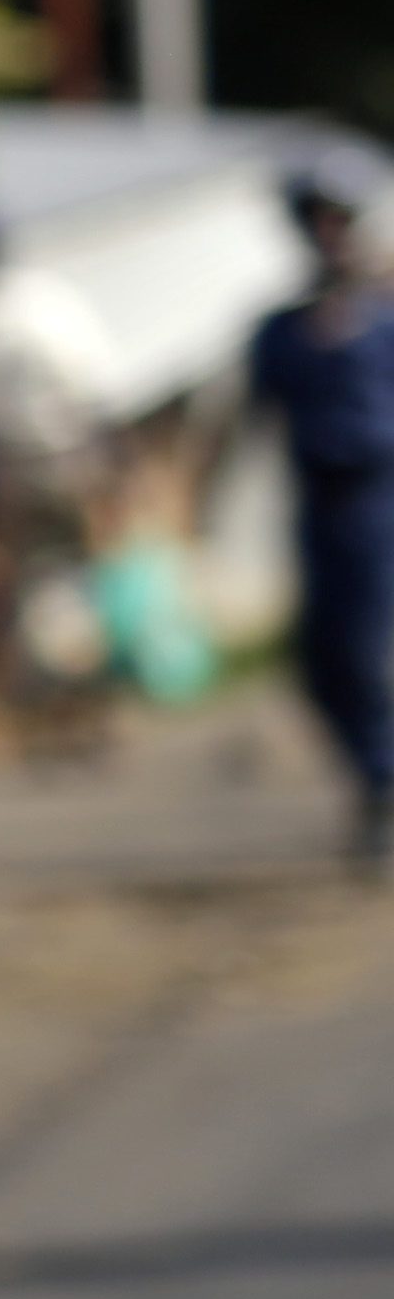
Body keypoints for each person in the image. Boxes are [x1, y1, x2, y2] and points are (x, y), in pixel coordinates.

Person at [248, 169, 394, 871]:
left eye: (335, 220)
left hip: (380, 503)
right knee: (323, 662)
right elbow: (250, 420)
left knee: (370, 655)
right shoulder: (280, 330)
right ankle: (371, 775)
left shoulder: (383, 321)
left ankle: (379, 781)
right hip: (318, 508)